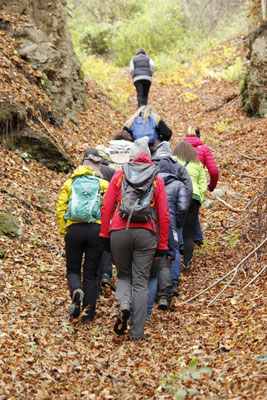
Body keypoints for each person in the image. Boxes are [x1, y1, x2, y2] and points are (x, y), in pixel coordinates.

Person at [99, 137, 170, 342]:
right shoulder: (157, 179)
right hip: (146, 234)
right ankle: (137, 334)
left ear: (130, 157)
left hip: (119, 231)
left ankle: (123, 305)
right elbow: (164, 215)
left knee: (123, 276)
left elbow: (107, 206)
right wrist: (162, 245)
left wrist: (105, 234)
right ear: (149, 158)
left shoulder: (120, 174)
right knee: (141, 284)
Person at [56, 153, 109, 324]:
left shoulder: (70, 182)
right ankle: (88, 316)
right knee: (91, 274)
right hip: (96, 230)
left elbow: (60, 208)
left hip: (74, 230)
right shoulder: (103, 184)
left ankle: (76, 290)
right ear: (98, 168)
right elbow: (110, 208)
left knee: (72, 270)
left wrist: (65, 230)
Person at [147, 158, 188, 315]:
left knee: (151, 257)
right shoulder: (178, 184)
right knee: (168, 258)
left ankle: (149, 297)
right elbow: (183, 207)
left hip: (151, 222)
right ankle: (165, 295)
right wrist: (177, 222)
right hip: (169, 223)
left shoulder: (152, 182)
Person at [173, 142, 207, 268]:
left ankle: (175, 259)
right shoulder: (197, 164)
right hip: (194, 197)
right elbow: (203, 184)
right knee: (188, 233)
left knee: (175, 228)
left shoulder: (173, 161)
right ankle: (187, 261)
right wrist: (199, 199)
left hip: (177, 196)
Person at [183, 126, 219, 245]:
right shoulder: (204, 149)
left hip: (181, 184)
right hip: (197, 184)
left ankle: (192, 238)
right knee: (193, 208)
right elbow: (214, 171)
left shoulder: (179, 149)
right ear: (199, 136)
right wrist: (211, 186)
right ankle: (196, 238)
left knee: (185, 211)